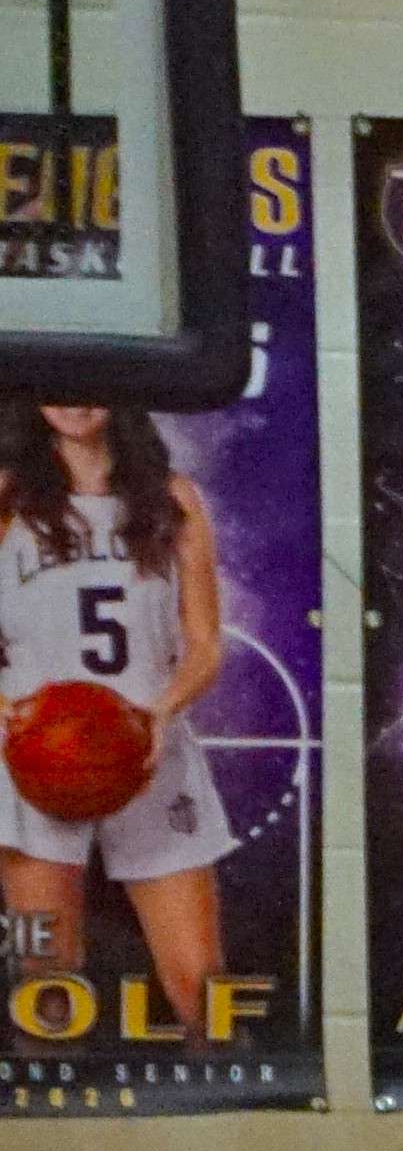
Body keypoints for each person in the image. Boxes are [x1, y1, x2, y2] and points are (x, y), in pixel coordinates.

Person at [0, 394, 232, 1035]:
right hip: (36, 755)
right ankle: (55, 1131)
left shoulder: (172, 497)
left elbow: (207, 644)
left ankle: (226, 1125)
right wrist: (13, 714)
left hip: (150, 745)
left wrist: (160, 712)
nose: (75, 399)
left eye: (93, 380)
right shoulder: (6, 498)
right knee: (46, 982)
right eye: (58, 383)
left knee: (203, 987)